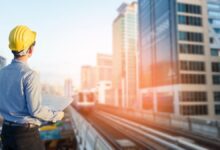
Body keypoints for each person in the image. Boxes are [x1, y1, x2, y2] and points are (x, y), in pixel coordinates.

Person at [0, 25, 64, 150]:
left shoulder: (1, 73)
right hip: (26, 136)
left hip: (7, 132)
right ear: (30, 50)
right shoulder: (30, 75)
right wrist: (56, 115)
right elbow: (36, 110)